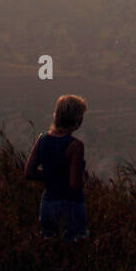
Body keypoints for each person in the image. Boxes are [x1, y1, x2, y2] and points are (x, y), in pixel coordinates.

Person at [24, 94, 89, 241]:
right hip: (70, 206)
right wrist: (83, 177)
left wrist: (51, 176)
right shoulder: (76, 146)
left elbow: (29, 173)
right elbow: (74, 185)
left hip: (47, 205)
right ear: (77, 120)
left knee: (50, 247)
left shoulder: (42, 138)